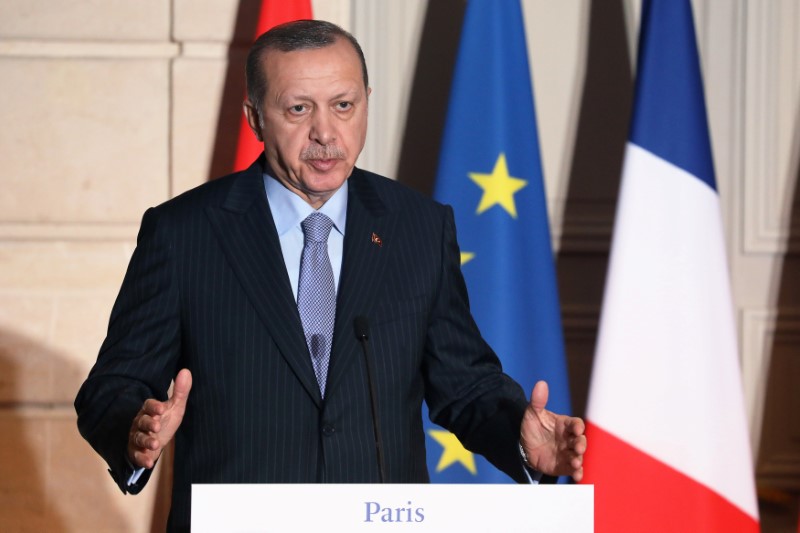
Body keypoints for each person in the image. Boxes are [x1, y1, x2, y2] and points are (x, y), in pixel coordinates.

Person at [75, 19, 586, 531]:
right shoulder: (184, 233)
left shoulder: (418, 227)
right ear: (255, 117)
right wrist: (134, 430)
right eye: (299, 109)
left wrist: (519, 437)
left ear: (366, 101)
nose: (325, 132)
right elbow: (111, 388)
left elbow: (465, 383)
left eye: (344, 106)